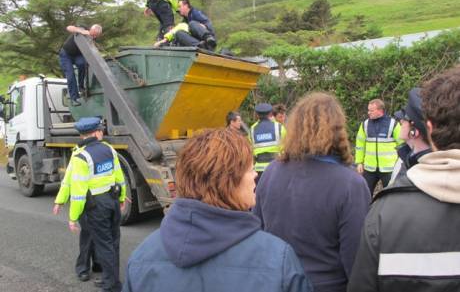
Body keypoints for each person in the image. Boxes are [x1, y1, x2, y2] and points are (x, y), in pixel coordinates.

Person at [123, 129, 313, 292]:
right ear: (227, 182)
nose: (256, 175)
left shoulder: (141, 258)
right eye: (249, 169)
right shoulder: (277, 257)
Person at [347, 66, 460, 292]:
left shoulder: (384, 212)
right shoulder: (365, 125)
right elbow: (360, 144)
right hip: (372, 167)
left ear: (427, 128)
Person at [253, 92, 371, 292]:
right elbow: (357, 261)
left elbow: (258, 233)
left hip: (276, 283)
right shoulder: (350, 184)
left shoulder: (271, 172)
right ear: (338, 130)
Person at [62, 117, 126, 292]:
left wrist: (73, 217)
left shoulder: (81, 157)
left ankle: (111, 286)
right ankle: (110, 279)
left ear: (81, 135)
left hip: (96, 206)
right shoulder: (109, 149)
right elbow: (120, 178)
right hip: (112, 201)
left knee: (104, 245)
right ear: (96, 132)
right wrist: (122, 198)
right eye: (101, 130)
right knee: (113, 243)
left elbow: (78, 193)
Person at [54, 165, 102, 282]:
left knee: (95, 232)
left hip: (99, 200)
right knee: (88, 233)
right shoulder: (80, 155)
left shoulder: (97, 150)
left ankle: (94, 264)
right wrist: (60, 201)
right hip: (88, 201)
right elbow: (68, 181)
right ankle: (84, 268)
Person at [355, 98, 402, 194]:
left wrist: (401, 165)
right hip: (369, 168)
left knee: (390, 196)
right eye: (368, 110)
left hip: (389, 169)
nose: (368, 113)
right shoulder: (365, 124)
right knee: (364, 194)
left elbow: (402, 144)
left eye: (371, 110)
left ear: (380, 111)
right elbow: (360, 145)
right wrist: (359, 162)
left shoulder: (393, 124)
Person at [388, 88, 431, 185]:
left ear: (414, 131)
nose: (401, 121)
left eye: (406, 118)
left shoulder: (420, 170)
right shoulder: (408, 155)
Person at [59, 25, 102, 106]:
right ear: (91, 29)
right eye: (94, 34)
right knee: (70, 75)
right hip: (66, 54)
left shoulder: (93, 39)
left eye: (96, 35)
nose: (94, 36)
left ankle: (81, 86)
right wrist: (81, 31)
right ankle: (74, 98)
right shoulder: (83, 28)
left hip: (77, 55)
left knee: (83, 64)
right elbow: (68, 27)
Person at [249, 103, 286, 180]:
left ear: (257, 115)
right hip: (276, 167)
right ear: (270, 114)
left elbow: (250, 150)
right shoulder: (279, 127)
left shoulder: (252, 130)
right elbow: (286, 147)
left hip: (259, 170)